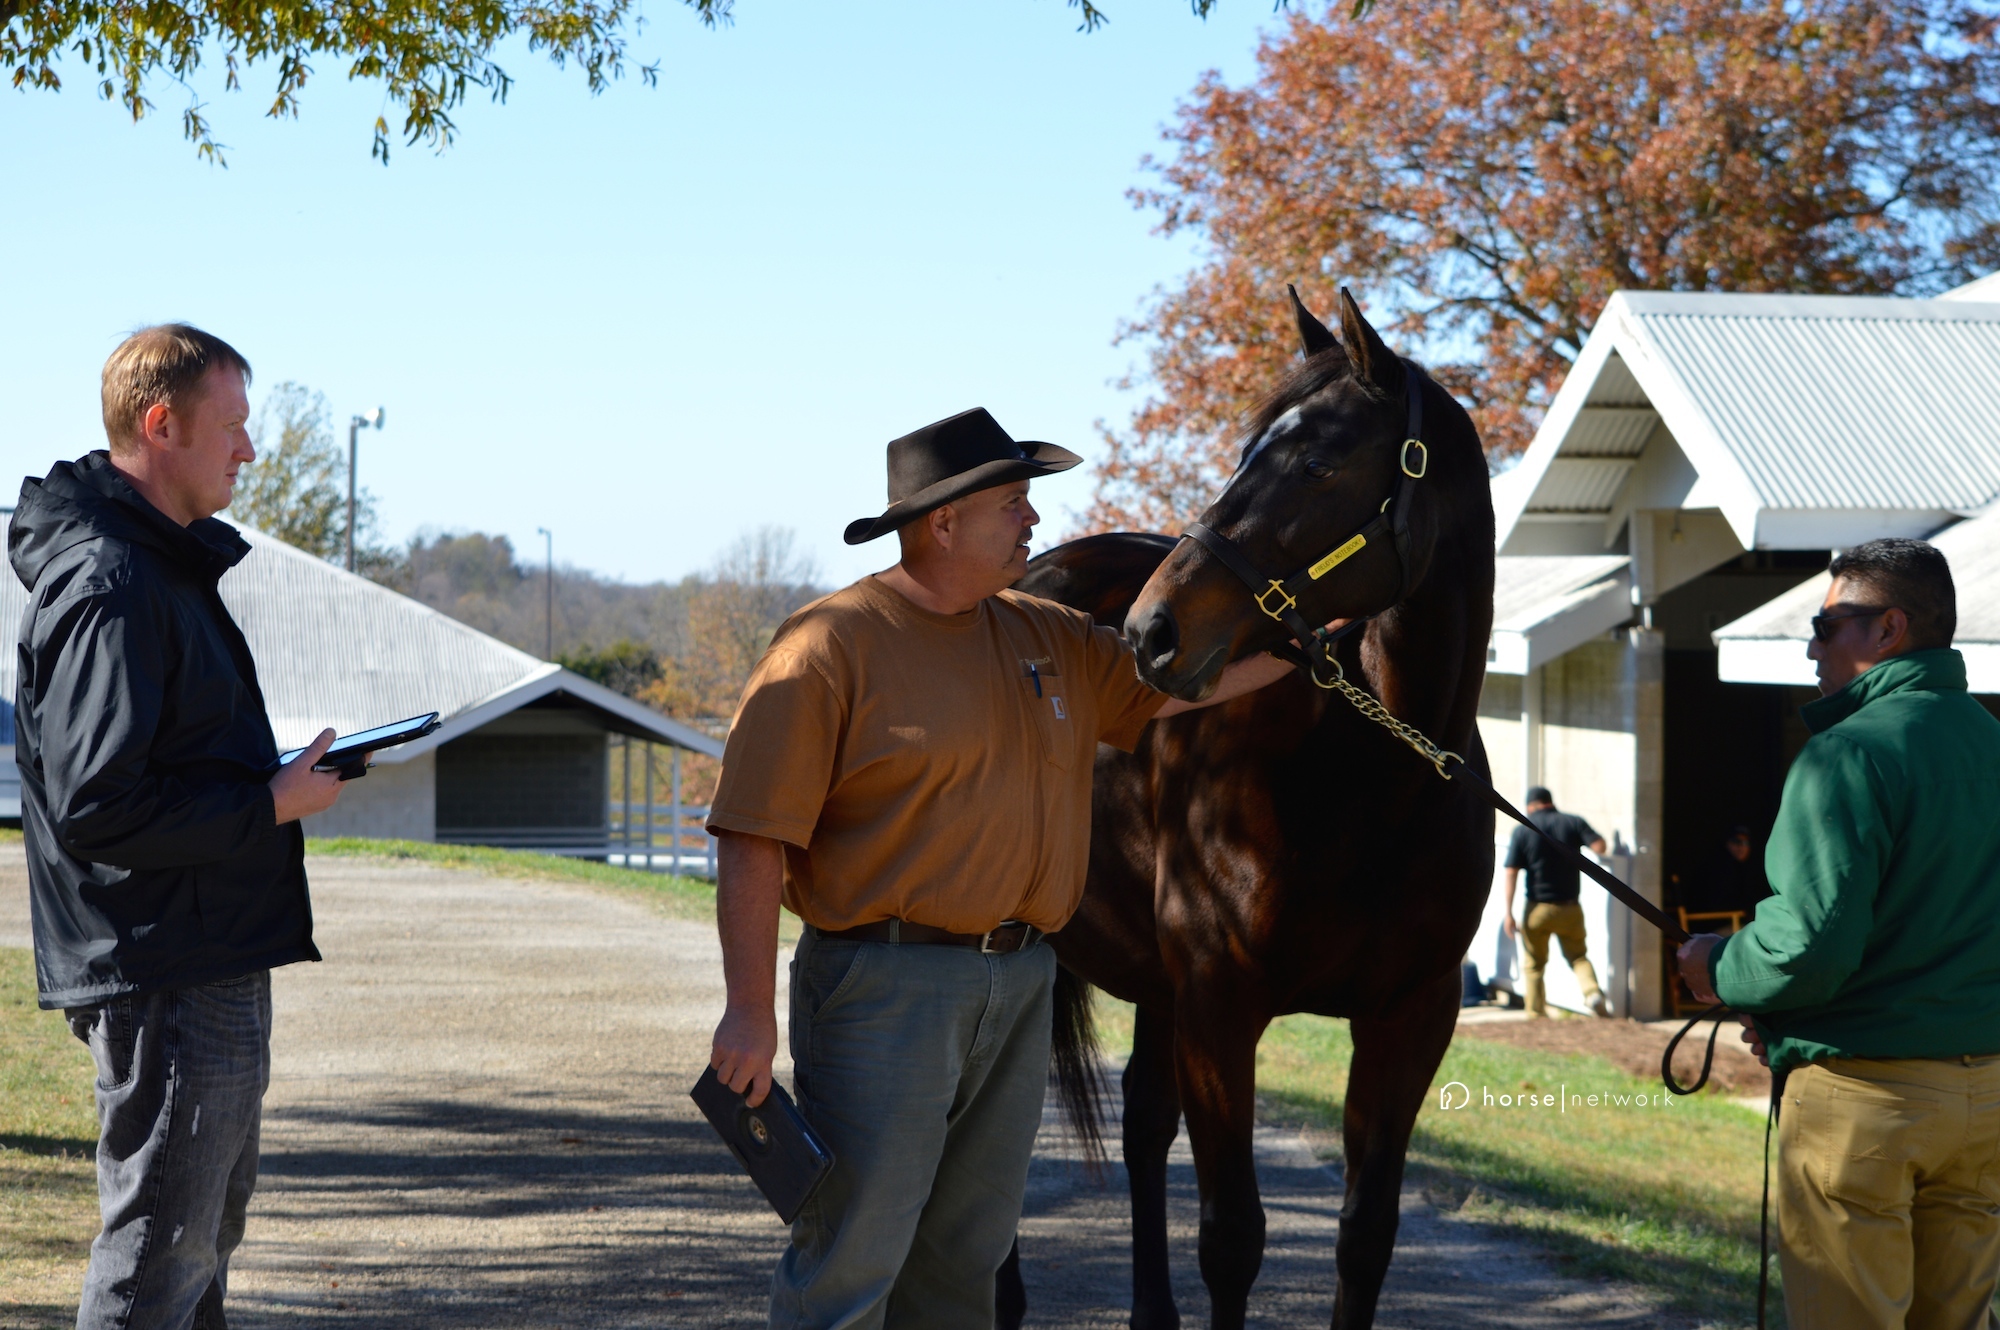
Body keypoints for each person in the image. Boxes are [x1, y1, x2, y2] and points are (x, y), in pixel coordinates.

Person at [705, 407, 1297, 1328]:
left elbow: (1181, 684)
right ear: (943, 522)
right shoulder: (828, 647)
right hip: (881, 986)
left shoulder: (1043, 635)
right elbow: (751, 836)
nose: (1033, 521)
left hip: (1021, 981)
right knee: (852, 1259)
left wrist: (1309, 649)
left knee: (965, 1261)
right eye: (1015, 502)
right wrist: (748, 1010)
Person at [12, 325, 348, 1330]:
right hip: (163, 969)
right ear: (161, 424)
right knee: (158, 1256)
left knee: (194, 1252)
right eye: (233, 427)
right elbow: (98, 803)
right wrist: (270, 804)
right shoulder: (113, 584)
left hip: (201, 953)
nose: (249, 449)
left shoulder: (159, 569)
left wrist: (271, 781)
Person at [1677, 537, 2000, 1330]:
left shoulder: (1846, 756)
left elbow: (1807, 948)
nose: (1812, 646)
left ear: (1887, 630)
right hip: (1988, 1098)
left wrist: (1715, 964)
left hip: (1865, 1104)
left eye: (1828, 626)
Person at [1501, 787, 1612, 1018]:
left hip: (1536, 909)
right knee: (1578, 956)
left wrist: (1509, 912)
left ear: (1531, 806)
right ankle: (1592, 994)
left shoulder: (1523, 830)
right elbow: (1600, 847)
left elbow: (1511, 871)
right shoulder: (1573, 822)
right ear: (1549, 802)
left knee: (1534, 964)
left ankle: (1535, 1013)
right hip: (1569, 907)